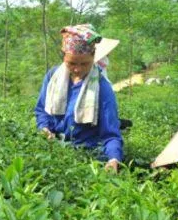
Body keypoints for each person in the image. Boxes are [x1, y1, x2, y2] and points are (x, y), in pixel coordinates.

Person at [34, 24, 124, 172]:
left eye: (85, 63)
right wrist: (44, 128)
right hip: (54, 150)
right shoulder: (53, 77)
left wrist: (113, 159)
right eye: (72, 63)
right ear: (64, 56)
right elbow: (41, 110)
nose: (78, 69)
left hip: (88, 155)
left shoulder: (102, 87)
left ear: (93, 57)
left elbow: (111, 134)